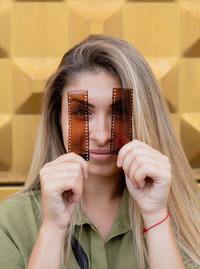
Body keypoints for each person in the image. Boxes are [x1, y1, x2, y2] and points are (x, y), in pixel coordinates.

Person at [0, 35, 200, 269]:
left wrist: (156, 216)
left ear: (145, 117)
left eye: (119, 113)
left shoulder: (191, 214)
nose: (102, 135)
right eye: (83, 114)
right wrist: (52, 229)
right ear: (57, 117)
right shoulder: (11, 221)